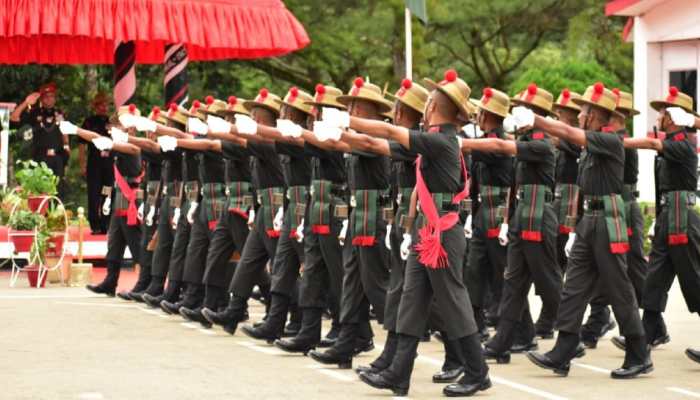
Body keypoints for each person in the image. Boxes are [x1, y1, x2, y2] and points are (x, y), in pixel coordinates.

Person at [342, 69, 490, 397]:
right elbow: (374, 144)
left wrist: (348, 123)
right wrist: (343, 135)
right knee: (412, 298)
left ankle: (477, 372)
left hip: (442, 231)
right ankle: (398, 372)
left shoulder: (440, 140)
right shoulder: (434, 140)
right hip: (428, 229)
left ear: (433, 107)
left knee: (453, 300)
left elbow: (385, 130)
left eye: (428, 103)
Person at [522, 82, 652, 379]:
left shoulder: (610, 140)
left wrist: (537, 120)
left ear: (594, 115)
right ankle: (563, 350)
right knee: (574, 287)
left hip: (608, 219)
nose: (579, 116)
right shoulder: (592, 144)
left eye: (583, 111)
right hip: (589, 221)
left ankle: (639, 352)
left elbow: (567, 133)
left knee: (619, 289)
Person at [460, 85, 564, 364]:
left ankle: (569, 335)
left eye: (523, 109)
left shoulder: (540, 143)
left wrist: (459, 142)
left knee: (549, 282)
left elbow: (499, 146)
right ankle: (503, 340)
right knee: (513, 282)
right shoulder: (527, 139)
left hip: (539, 216)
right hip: (521, 215)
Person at [306, 78, 392, 369]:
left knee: (378, 287)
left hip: (374, 219)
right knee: (352, 284)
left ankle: (399, 348)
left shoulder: (374, 140)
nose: (350, 109)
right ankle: (346, 343)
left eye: (356, 106)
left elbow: (354, 142)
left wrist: (336, 128)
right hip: (357, 217)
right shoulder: (355, 136)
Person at [619, 88, 700, 358]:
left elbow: (654, 143)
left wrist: (618, 141)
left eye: (664, 112)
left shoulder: (683, 144)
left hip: (683, 222)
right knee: (654, 281)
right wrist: (658, 220)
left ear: (674, 118)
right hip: (669, 219)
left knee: (694, 282)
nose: (660, 116)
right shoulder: (673, 144)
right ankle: (647, 335)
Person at [201, 89, 287, 333]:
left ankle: (292, 317)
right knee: (249, 261)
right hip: (263, 208)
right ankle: (234, 310)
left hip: (276, 207)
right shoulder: (259, 142)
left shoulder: (269, 143)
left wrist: (209, 128)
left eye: (257, 117)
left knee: (284, 268)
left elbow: (228, 140)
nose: (254, 120)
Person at [60, 106, 145, 297]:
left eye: (119, 124)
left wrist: (76, 130)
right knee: (114, 242)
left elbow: (101, 140)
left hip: (130, 198)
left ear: (130, 127)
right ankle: (110, 281)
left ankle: (143, 284)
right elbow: (115, 174)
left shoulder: (134, 144)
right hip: (119, 197)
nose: (114, 127)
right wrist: (107, 196)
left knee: (135, 242)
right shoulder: (121, 142)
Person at [582, 89, 644, 349]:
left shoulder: (620, 142)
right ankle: (597, 320)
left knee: (631, 269)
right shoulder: (605, 139)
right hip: (606, 209)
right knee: (604, 270)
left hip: (622, 208)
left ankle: (649, 323)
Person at [533, 89, 583, 339]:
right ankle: (549, 315)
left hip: (572, 196)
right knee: (554, 260)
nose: (559, 117)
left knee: (562, 261)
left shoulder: (576, 138)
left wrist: (557, 139)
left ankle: (556, 317)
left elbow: (576, 152)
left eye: (562, 113)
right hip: (558, 196)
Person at [10, 83, 70, 197]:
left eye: (52, 96)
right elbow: (14, 117)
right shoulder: (34, 112)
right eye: (46, 96)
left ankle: (57, 214)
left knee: (57, 192)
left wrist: (67, 149)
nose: (50, 99)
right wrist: (26, 103)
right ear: (41, 99)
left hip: (57, 158)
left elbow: (65, 134)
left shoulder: (60, 113)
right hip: (40, 158)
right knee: (40, 192)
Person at [79, 92, 113, 234]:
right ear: (95, 107)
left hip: (108, 164)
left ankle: (106, 223)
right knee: (94, 194)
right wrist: (82, 164)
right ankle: (95, 224)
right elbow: (82, 145)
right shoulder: (89, 122)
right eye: (100, 105)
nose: (103, 108)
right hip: (94, 164)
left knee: (107, 192)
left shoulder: (111, 122)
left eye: (105, 105)